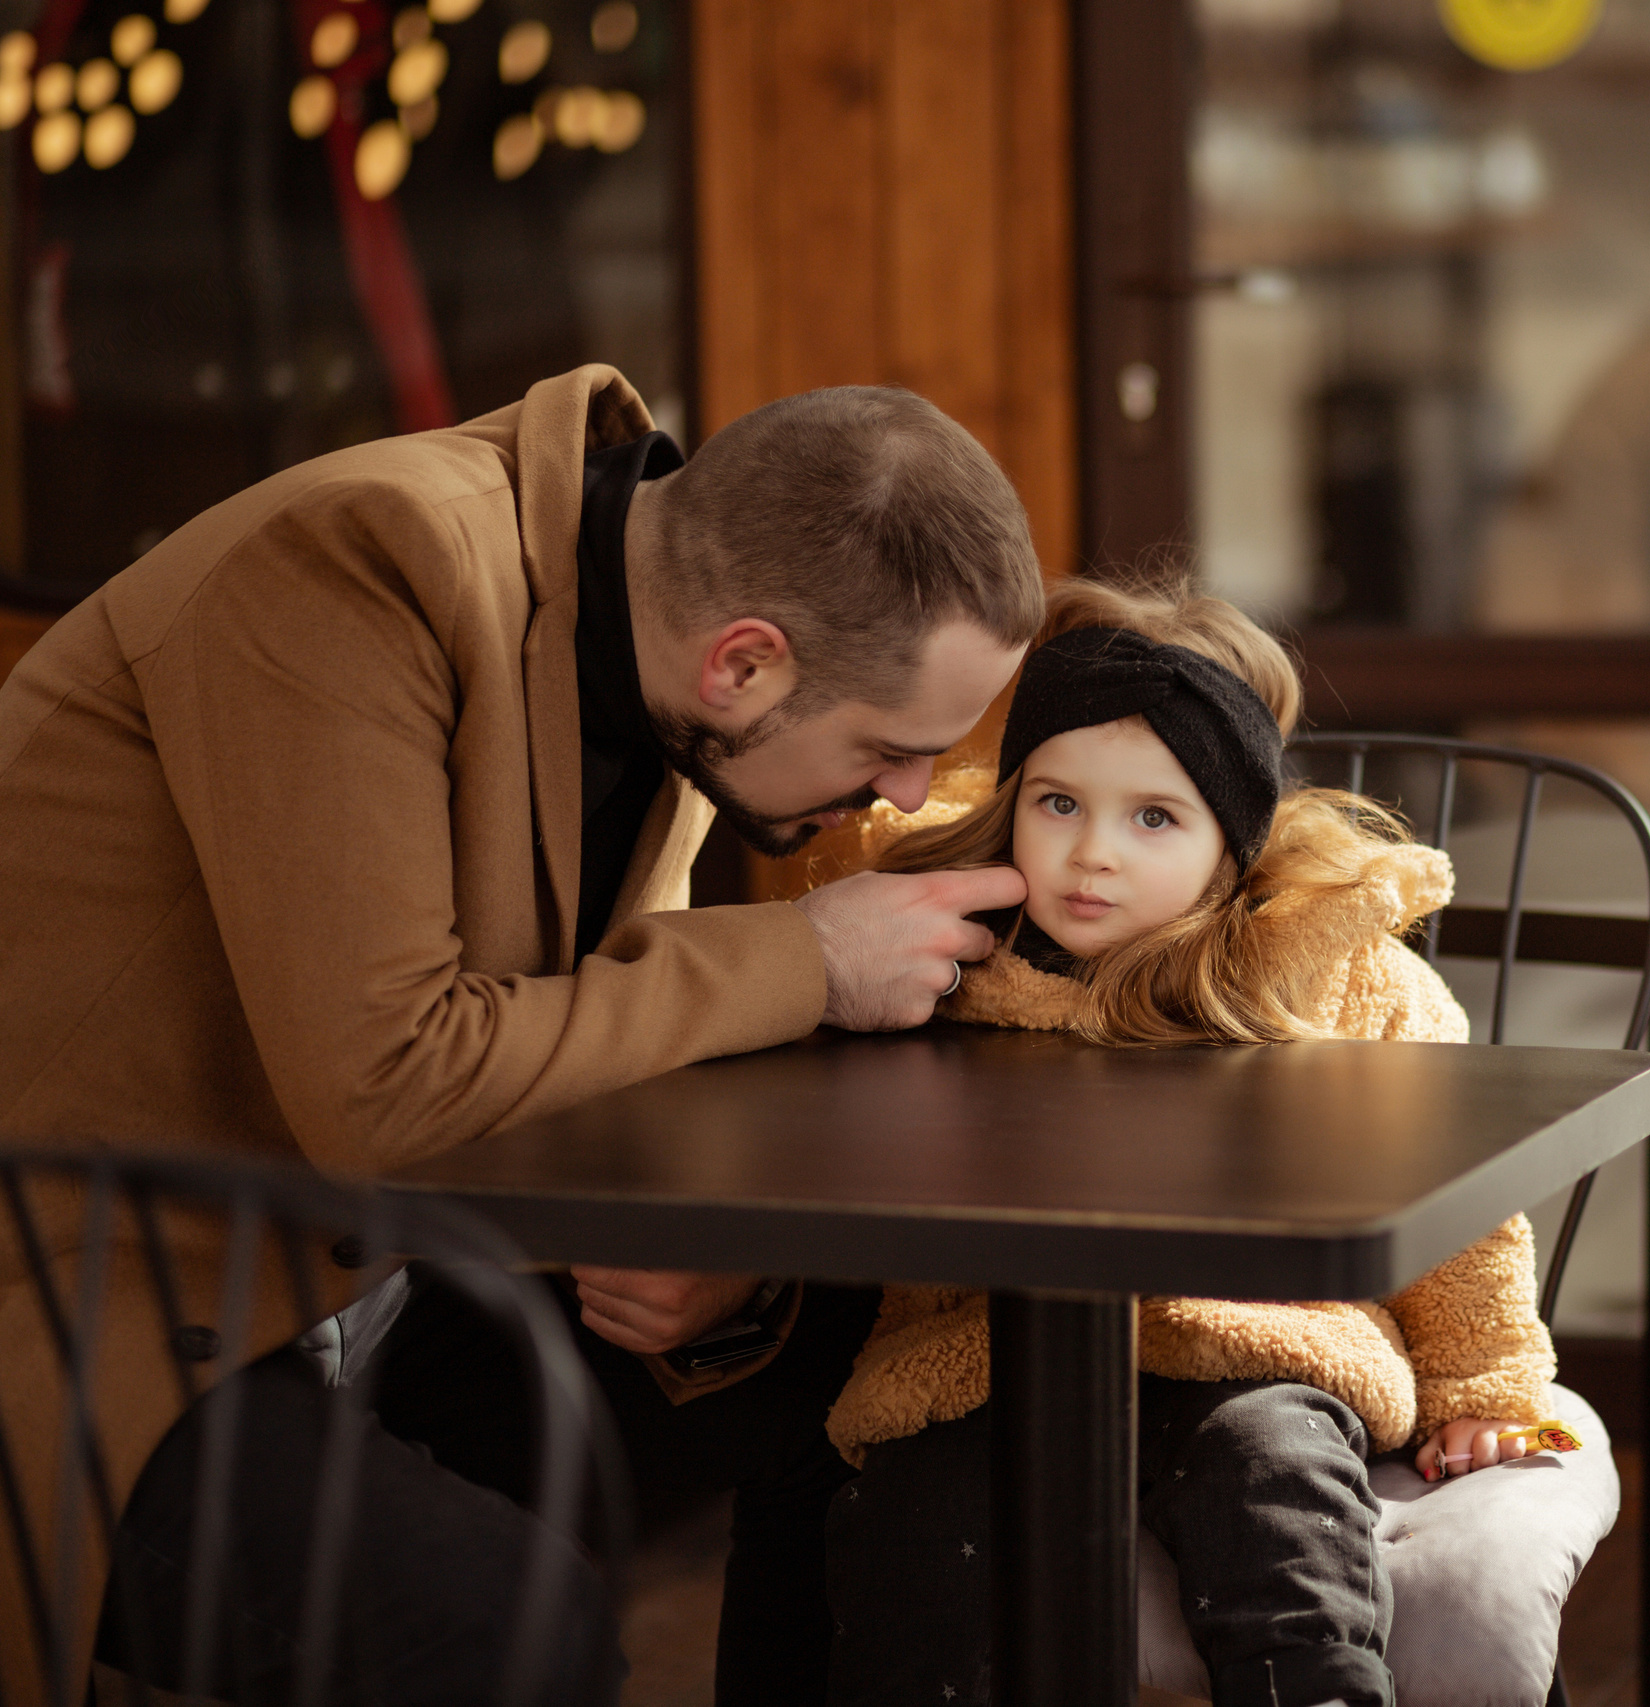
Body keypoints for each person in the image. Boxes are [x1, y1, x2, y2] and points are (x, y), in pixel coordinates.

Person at [0, 365, 1044, 1706]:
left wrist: (700, 1248)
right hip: (85, 1291)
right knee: (508, 1633)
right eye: (891, 746)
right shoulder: (356, 568)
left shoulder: (659, 656)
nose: (908, 790)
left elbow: (592, 1039)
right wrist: (810, 956)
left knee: (856, 1395)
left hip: (362, 1262)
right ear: (745, 660)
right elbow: (387, 1089)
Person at [803, 579, 1559, 1707]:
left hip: (1258, 1340)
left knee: (1274, 1487)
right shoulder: (938, 963)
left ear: (1231, 843)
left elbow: (1455, 1186)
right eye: (1059, 803)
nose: (1091, 854)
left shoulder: (1338, 982)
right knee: (911, 1524)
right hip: (995, 1351)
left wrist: (1480, 1381)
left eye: (1153, 818)